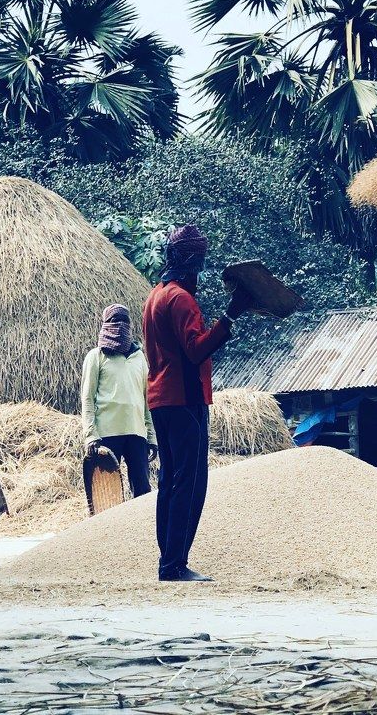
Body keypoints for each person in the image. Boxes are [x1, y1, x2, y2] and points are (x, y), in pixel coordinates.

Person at [142, 225, 253, 582]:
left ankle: (167, 561)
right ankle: (174, 564)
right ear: (194, 261)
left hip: (160, 399)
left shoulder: (155, 296)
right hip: (185, 398)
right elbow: (196, 350)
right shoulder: (181, 299)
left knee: (169, 482)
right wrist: (231, 314)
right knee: (190, 483)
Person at [80, 304, 157, 498]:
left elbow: (147, 400)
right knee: (107, 494)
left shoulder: (140, 358)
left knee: (142, 491)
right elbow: (87, 398)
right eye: (114, 322)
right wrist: (90, 434)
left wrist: (152, 437)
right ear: (105, 325)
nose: (118, 326)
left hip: (136, 433)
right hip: (106, 434)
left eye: (123, 321)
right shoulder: (96, 357)